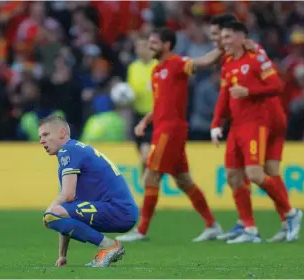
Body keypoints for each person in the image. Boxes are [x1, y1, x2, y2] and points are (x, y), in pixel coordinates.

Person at [116, 28, 223, 243]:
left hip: (170, 130)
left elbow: (204, 61)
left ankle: (141, 231)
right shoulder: (156, 71)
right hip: (161, 128)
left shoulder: (176, 63)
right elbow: (160, 105)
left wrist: (222, 47)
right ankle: (212, 225)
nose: (150, 45)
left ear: (167, 44)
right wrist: (144, 121)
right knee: (184, 180)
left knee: (151, 176)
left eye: (154, 42)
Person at [194, 13, 293, 243]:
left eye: (218, 35)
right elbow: (222, 87)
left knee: (263, 171)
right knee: (236, 174)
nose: (217, 40)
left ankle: (287, 218)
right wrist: (217, 122)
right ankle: (247, 224)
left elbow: (273, 84)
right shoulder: (228, 56)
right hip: (245, 119)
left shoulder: (253, 51)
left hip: (266, 118)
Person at [39, 115, 138, 267]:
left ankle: (108, 246)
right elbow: (66, 208)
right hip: (121, 211)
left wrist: (49, 212)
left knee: (52, 214)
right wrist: (62, 256)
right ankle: (107, 247)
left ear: (62, 132)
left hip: (117, 209)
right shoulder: (74, 151)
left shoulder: (68, 150)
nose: (42, 141)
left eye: (46, 135)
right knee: (55, 213)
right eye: (40, 137)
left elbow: (67, 196)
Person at [127, 35, 158, 173]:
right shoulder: (133, 67)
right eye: (137, 46)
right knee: (144, 157)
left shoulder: (157, 66)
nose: (139, 50)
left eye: (142, 46)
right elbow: (130, 91)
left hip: (156, 116)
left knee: (148, 156)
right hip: (138, 115)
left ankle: (149, 182)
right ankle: (148, 185)